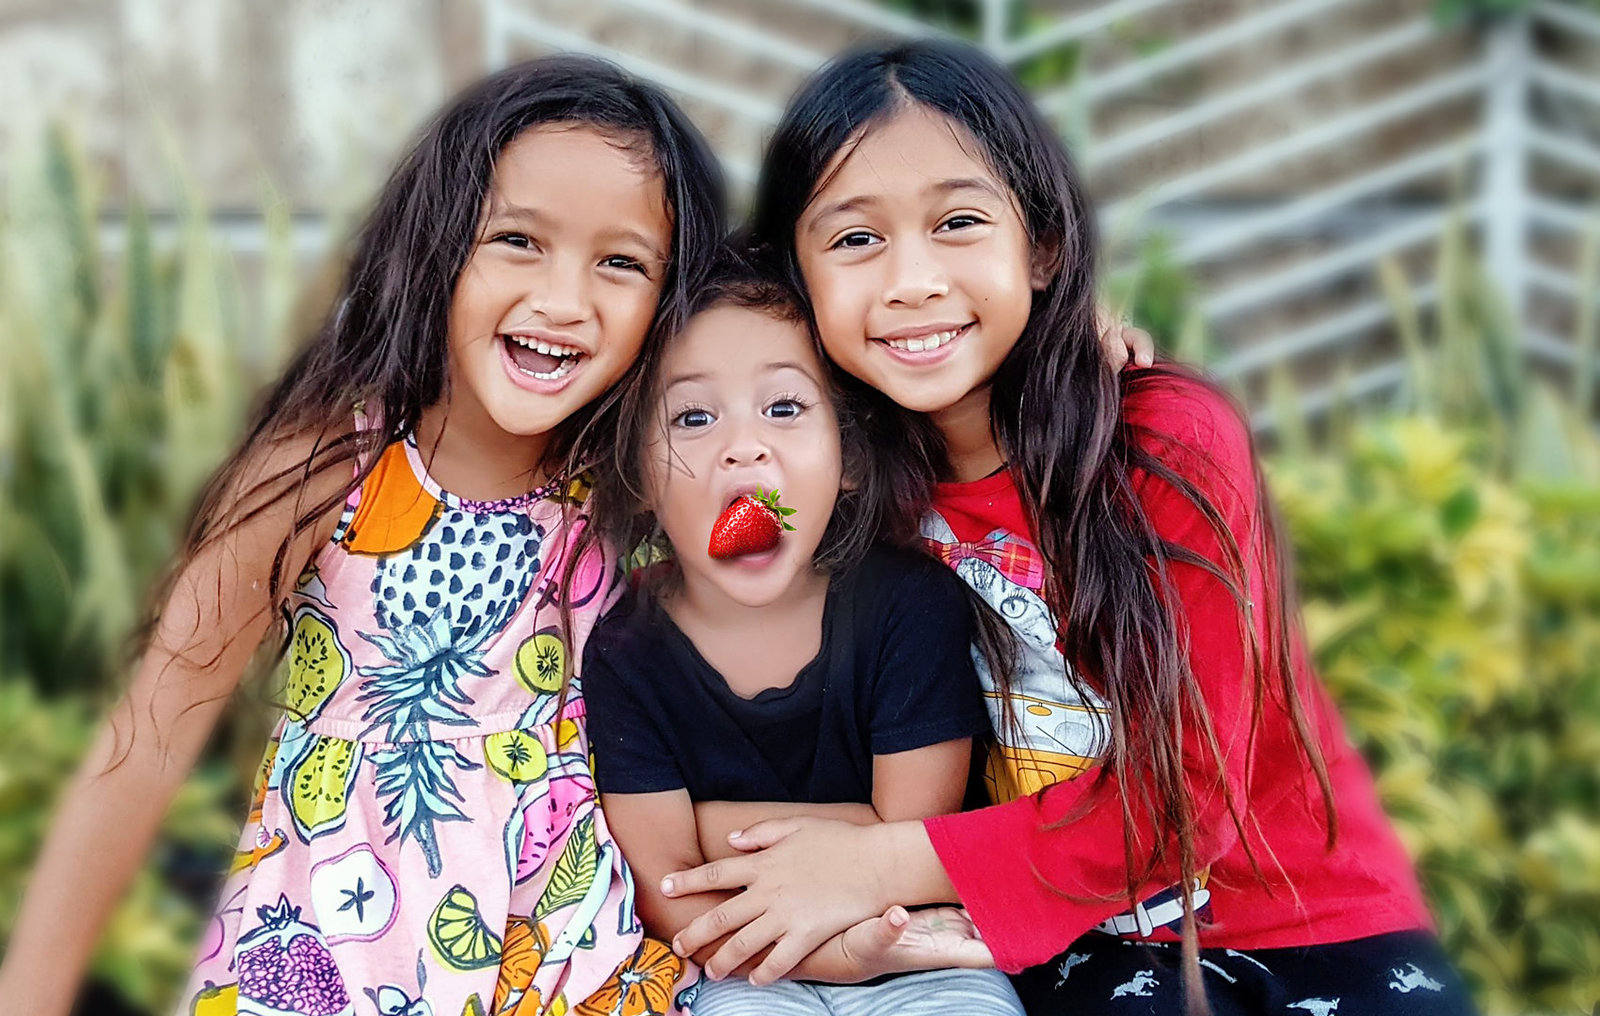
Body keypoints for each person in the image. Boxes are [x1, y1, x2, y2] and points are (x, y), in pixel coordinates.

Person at [658, 40, 1478, 1016]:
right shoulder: (838, 471)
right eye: (853, 239)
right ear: (797, 274)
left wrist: (877, 862)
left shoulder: (1161, 439)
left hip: (1307, 909)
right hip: (1072, 931)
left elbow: (1189, 791)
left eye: (959, 221)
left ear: (1040, 246)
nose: (912, 279)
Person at [0, 55, 725, 1016]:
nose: (564, 299)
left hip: (569, 967)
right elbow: (155, 728)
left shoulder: (632, 495)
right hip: (331, 961)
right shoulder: (328, 464)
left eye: (622, 262)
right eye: (516, 239)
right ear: (434, 247)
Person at [579, 247, 1026, 1016]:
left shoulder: (909, 605)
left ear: (850, 457)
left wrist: (710, 827)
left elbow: (914, 837)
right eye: (692, 417)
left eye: (784, 407)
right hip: (737, 961)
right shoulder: (626, 651)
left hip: (918, 949)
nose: (743, 446)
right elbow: (666, 889)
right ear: (639, 478)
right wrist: (836, 944)